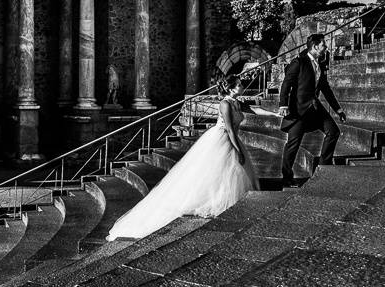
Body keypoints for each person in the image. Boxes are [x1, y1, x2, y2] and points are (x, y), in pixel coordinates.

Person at [106, 74, 259, 241]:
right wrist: (239, 151)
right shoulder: (225, 104)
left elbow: (254, 109)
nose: (242, 86)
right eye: (239, 84)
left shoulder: (237, 102)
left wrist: (281, 111)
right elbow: (229, 130)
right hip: (223, 139)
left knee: (227, 173)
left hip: (232, 139)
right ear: (231, 88)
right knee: (218, 172)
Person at [277, 34, 347, 187]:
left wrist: (338, 109)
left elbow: (325, 89)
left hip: (315, 107)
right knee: (293, 144)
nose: (326, 48)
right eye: (323, 45)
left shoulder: (320, 64)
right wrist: (283, 105)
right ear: (315, 47)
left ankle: (324, 167)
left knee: (333, 131)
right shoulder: (299, 62)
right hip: (299, 109)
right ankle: (287, 177)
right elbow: (286, 84)